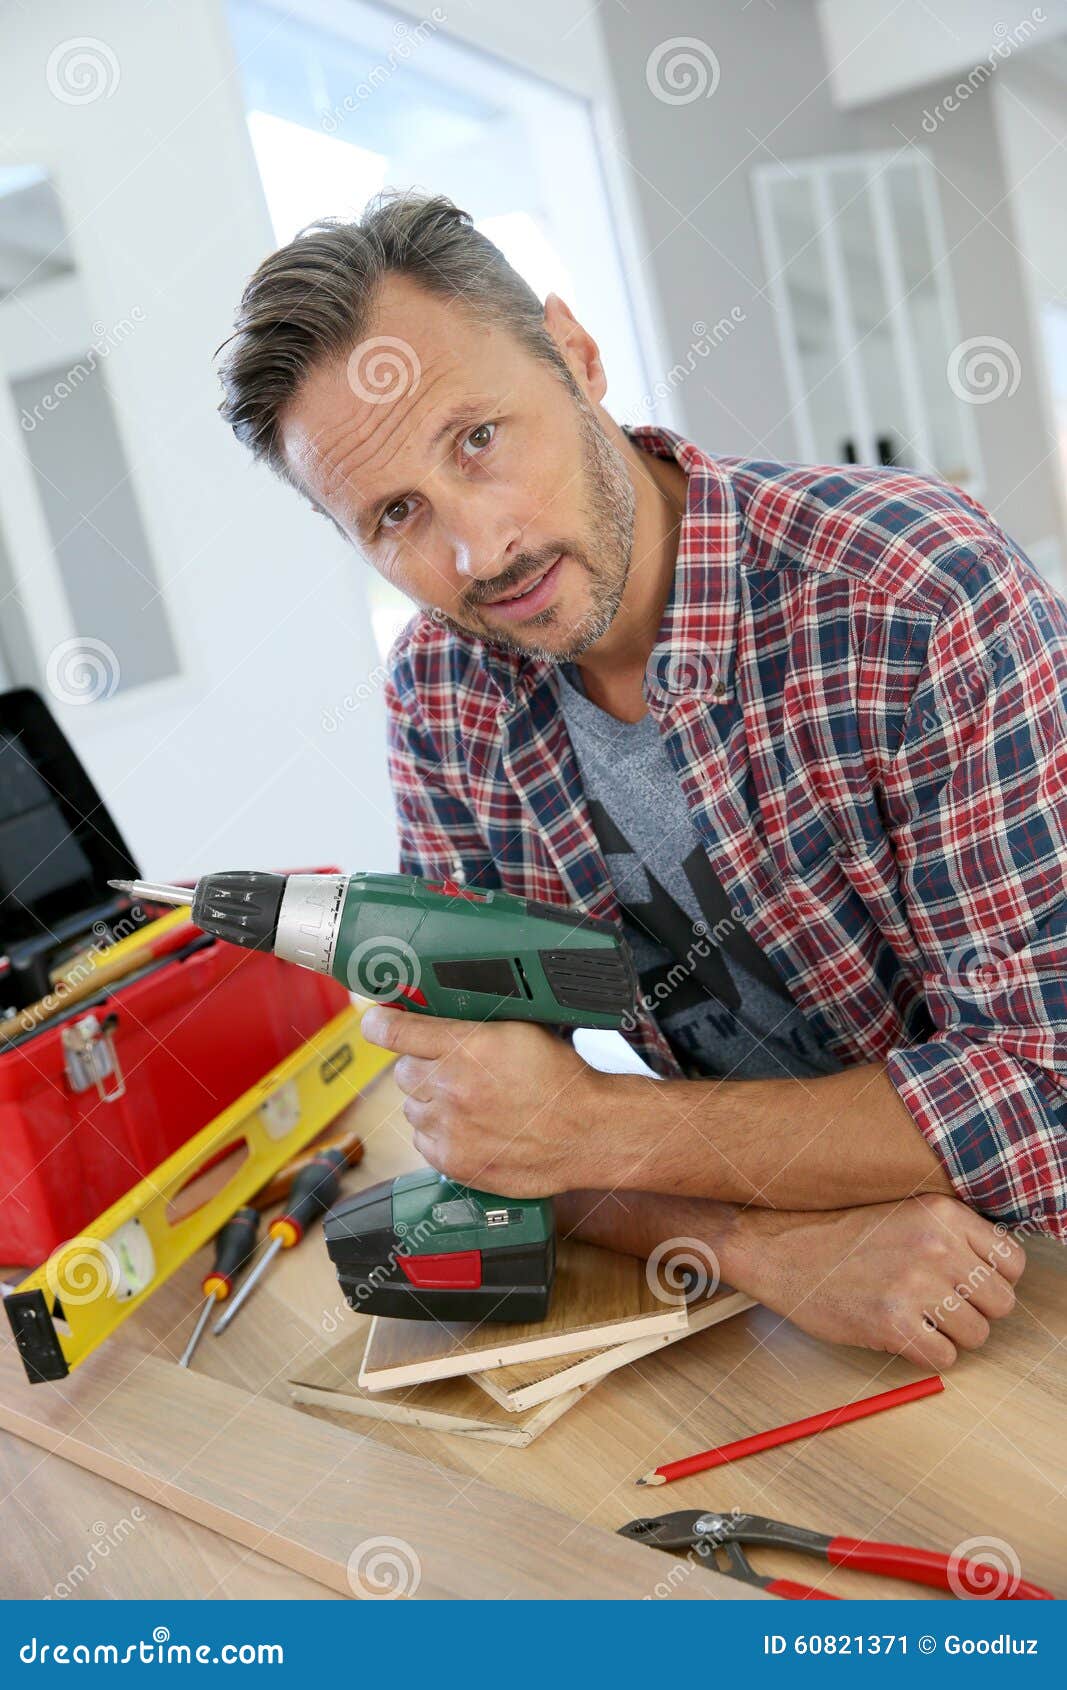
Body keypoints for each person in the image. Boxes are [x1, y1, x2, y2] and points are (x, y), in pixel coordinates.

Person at [217, 193, 1067, 1367]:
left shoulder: (917, 597)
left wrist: (589, 1124)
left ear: (575, 356)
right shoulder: (441, 695)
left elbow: (1037, 1088)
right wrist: (758, 1249)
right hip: (824, 1295)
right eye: (396, 514)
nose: (479, 550)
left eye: (477, 438)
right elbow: (495, 1136)